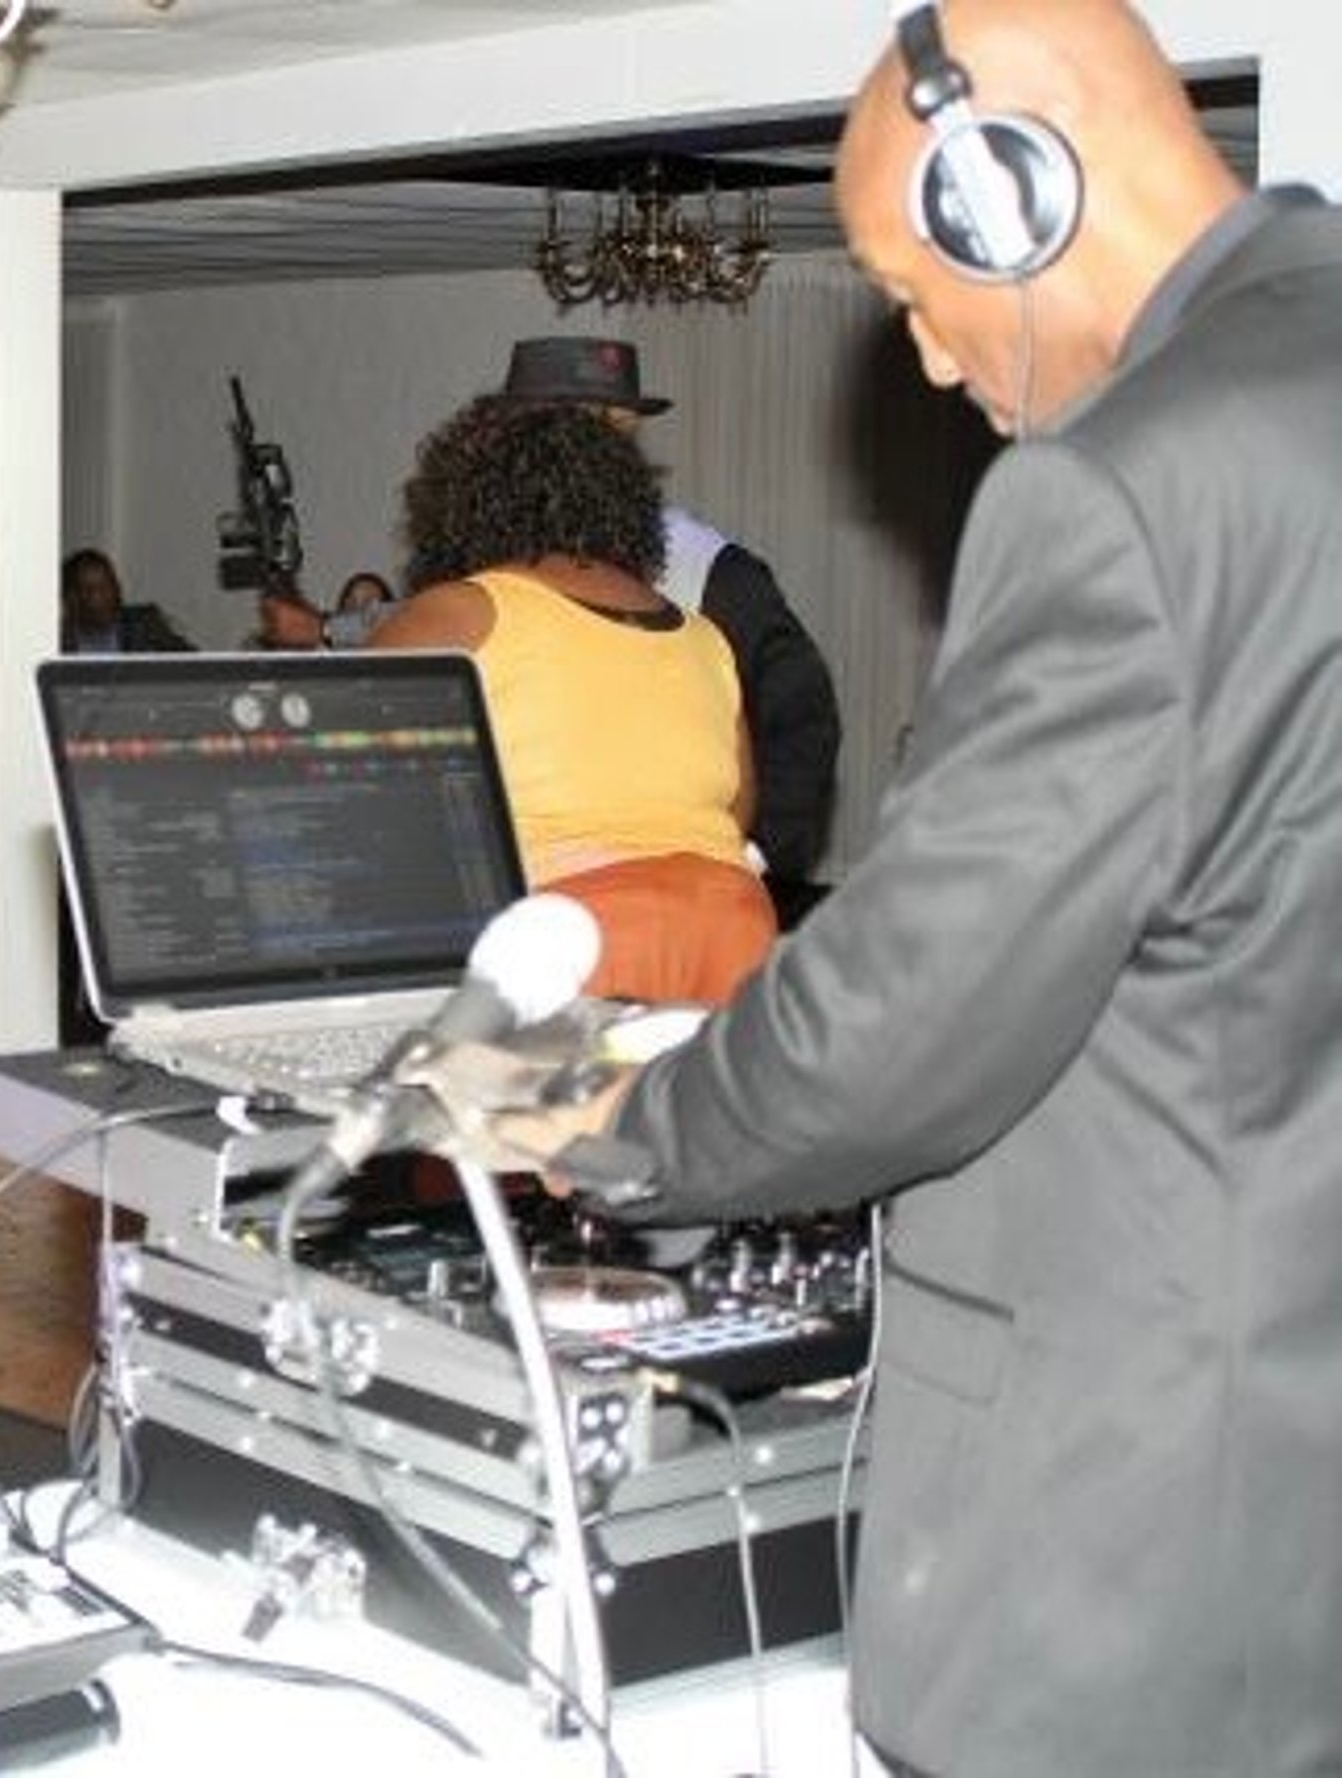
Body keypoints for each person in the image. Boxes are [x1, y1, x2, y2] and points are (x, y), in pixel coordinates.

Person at [490, 3, 1342, 1773]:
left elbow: (903, 1019)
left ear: (1011, 189)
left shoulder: (1120, 494)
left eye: (905, 285)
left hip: (1145, 1541)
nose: (936, 365)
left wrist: (582, 1107)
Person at [259, 340, 843, 908]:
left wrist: (749, 860)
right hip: (711, 931)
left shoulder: (711, 571)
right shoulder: (693, 632)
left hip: (575, 936)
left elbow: (802, 720)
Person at [370, 395, 775, 1005]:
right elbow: (737, 807)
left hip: (570, 941)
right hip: (733, 932)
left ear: (469, 504)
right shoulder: (703, 636)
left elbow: (352, 788)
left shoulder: (463, 611)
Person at [61, 547, 195, 653]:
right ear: (73, 598)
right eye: (95, 590)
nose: (109, 595)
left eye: (111, 584)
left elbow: (195, 664)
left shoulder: (144, 624)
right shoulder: (57, 641)